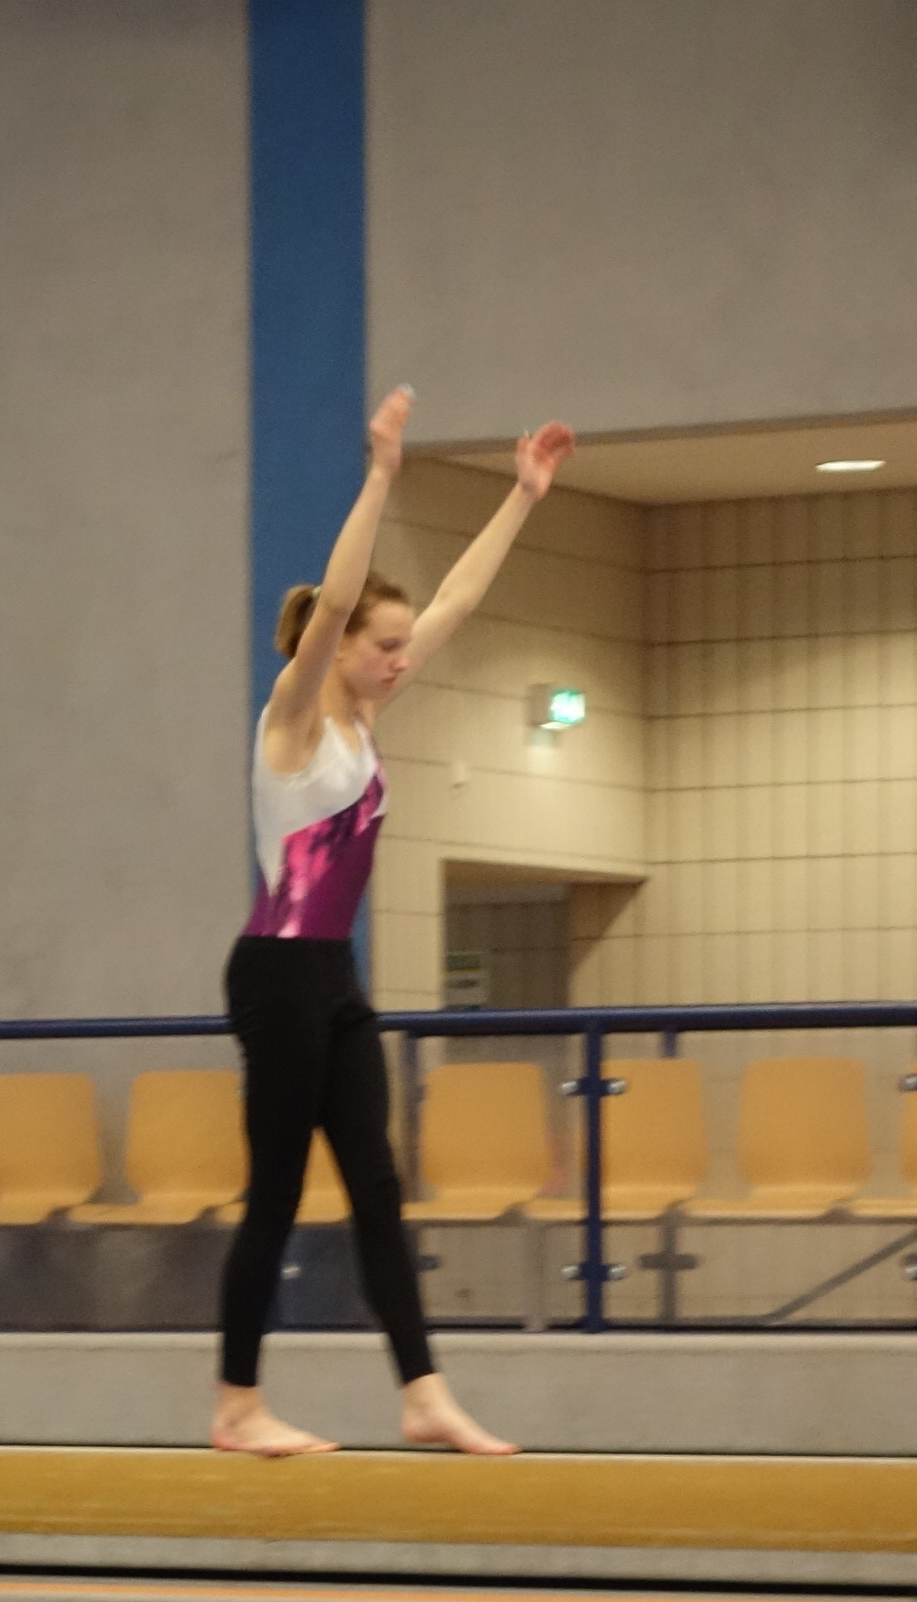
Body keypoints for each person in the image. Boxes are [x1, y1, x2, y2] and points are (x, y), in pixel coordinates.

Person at [219, 386, 574, 1459]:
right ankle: (237, 1405)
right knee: (277, 1193)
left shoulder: (367, 723)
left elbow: (456, 599)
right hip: (276, 971)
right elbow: (336, 598)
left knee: (377, 1186)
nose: (399, 658)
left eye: (400, 645)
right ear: (337, 647)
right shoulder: (291, 722)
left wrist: (523, 496)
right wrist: (381, 474)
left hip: (331, 978)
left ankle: (423, 1393)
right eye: (382, 644)